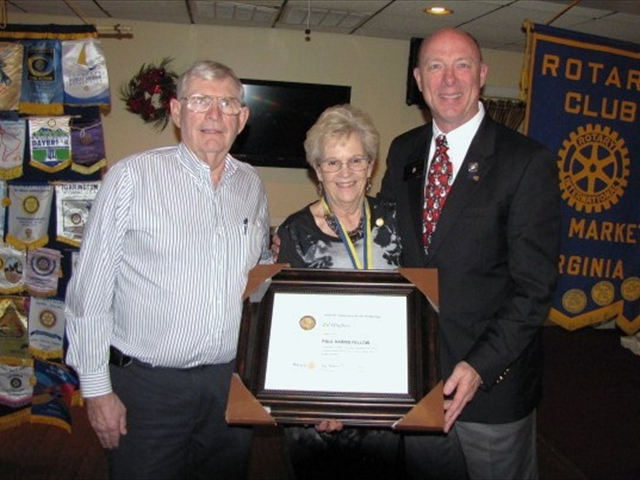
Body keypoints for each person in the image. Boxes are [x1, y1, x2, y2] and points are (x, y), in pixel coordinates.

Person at [64, 60, 272, 480]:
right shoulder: (132, 178)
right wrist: (97, 389)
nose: (214, 115)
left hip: (228, 387)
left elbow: (257, 276)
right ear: (177, 112)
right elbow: (90, 289)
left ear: (242, 118)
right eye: (200, 101)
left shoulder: (251, 185)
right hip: (147, 389)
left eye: (227, 103)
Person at [379, 28, 561, 479]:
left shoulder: (526, 161)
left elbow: (534, 289)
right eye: (436, 67)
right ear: (419, 80)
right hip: (417, 379)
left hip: (491, 385)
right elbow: (388, 249)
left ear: (481, 74)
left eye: (462, 65)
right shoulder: (404, 151)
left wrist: (479, 367)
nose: (449, 80)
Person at [277, 104, 403, 479]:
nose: (345, 173)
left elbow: (419, 306)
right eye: (332, 163)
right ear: (317, 171)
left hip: (384, 397)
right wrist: (319, 401)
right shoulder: (295, 232)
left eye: (356, 160)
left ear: (371, 166)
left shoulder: (397, 222)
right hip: (317, 405)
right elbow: (289, 327)